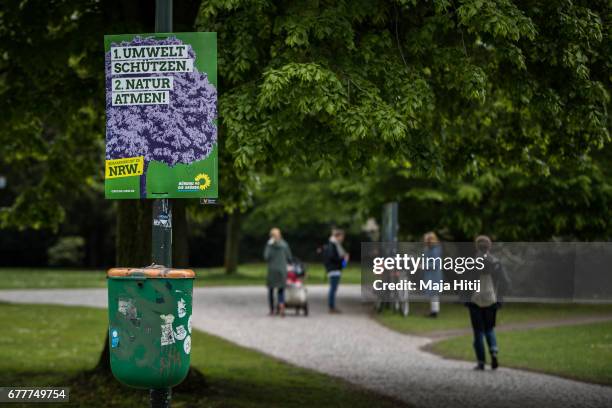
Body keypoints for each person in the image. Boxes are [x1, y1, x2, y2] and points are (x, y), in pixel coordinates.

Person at [464, 235, 510, 370]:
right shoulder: (496, 262)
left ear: (476, 246)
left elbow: (465, 281)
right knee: (489, 329)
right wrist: (500, 297)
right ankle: (494, 352)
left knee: (478, 332)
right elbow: (506, 282)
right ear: (489, 246)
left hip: (475, 300)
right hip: (491, 300)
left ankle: (481, 362)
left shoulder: (472, 262)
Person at [263, 227, 292, 317]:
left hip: (272, 270)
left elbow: (266, 257)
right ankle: (281, 305)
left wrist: (269, 246)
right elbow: (289, 257)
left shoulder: (269, 245)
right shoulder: (285, 244)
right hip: (282, 270)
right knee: (281, 290)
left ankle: (272, 310)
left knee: (271, 290)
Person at [323, 228, 349, 313]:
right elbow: (333, 257)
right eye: (342, 236)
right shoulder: (333, 245)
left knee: (334, 288)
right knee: (333, 288)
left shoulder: (335, 245)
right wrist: (343, 259)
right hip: (334, 269)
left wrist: (344, 261)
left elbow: (343, 264)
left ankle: (332, 306)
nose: (342, 238)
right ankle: (331, 306)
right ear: (337, 236)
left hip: (336, 268)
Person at [423, 232, 442, 318]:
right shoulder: (429, 249)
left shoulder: (434, 250)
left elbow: (435, 264)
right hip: (431, 274)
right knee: (433, 295)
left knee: (434, 295)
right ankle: (433, 311)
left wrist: (424, 265)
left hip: (434, 275)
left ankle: (434, 312)